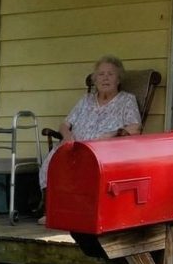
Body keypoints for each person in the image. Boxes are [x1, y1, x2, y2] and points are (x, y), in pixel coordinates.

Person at [38, 55, 142, 222]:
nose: (105, 78)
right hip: (73, 146)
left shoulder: (126, 100)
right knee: (55, 160)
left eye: (110, 74)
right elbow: (65, 124)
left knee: (84, 166)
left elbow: (135, 128)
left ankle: (79, 212)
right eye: (101, 74)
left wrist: (113, 134)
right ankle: (55, 211)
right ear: (94, 80)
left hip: (103, 151)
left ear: (118, 79)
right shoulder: (85, 100)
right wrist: (67, 136)